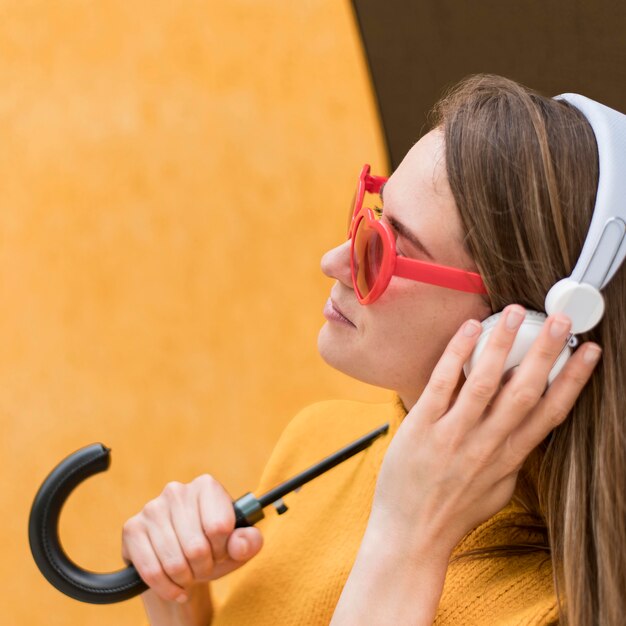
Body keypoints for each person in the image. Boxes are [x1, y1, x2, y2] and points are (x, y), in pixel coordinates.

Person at [121, 74, 625, 625]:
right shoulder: (318, 443)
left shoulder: (561, 607)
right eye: (373, 216)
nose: (335, 262)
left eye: (383, 250)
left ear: (522, 337)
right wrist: (180, 608)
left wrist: (409, 536)